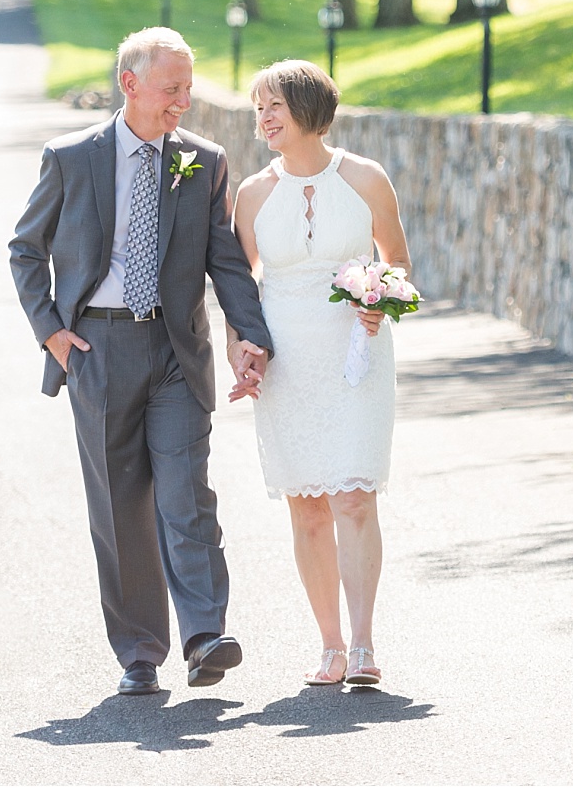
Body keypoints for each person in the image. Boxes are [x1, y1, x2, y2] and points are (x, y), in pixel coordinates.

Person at [9, 27, 274, 696]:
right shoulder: (71, 158)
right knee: (121, 505)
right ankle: (139, 653)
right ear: (130, 83)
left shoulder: (203, 162)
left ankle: (204, 634)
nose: (183, 101)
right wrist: (53, 334)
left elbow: (226, 263)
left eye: (188, 86)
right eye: (172, 88)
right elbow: (24, 247)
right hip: (97, 350)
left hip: (176, 351)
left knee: (188, 493)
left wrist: (252, 335)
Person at [229, 60, 410, 688]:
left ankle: (363, 644)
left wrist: (376, 300)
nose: (264, 118)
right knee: (306, 508)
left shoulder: (364, 179)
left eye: (274, 104)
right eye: (258, 108)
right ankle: (329, 645)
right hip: (288, 364)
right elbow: (237, 288)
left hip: (355, 359)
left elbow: (398, 263)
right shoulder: (252, 193)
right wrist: (241, 351)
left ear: (309, 108)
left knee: (354, 499)